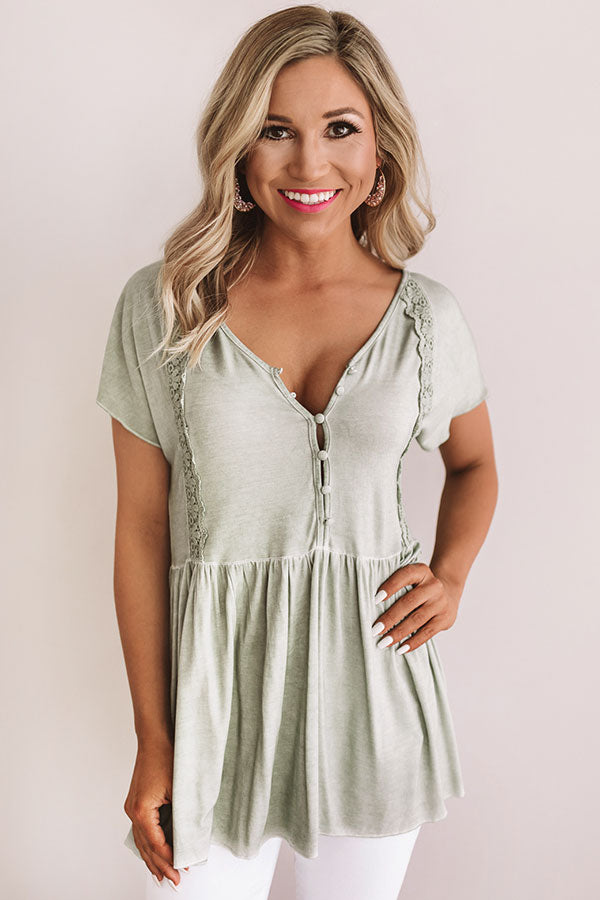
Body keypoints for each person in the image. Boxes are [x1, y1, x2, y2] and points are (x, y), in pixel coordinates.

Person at [96, 5, 498, 898]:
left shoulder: (427, 319)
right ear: (238, 148)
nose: (310, 164)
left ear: (381, 149)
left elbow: (474, 465)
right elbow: (140, 530)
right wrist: (155, 741)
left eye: (339, 129)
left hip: (378, 703)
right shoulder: (166, 308)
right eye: (276, 130)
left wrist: (451, 576)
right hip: (216, 717)